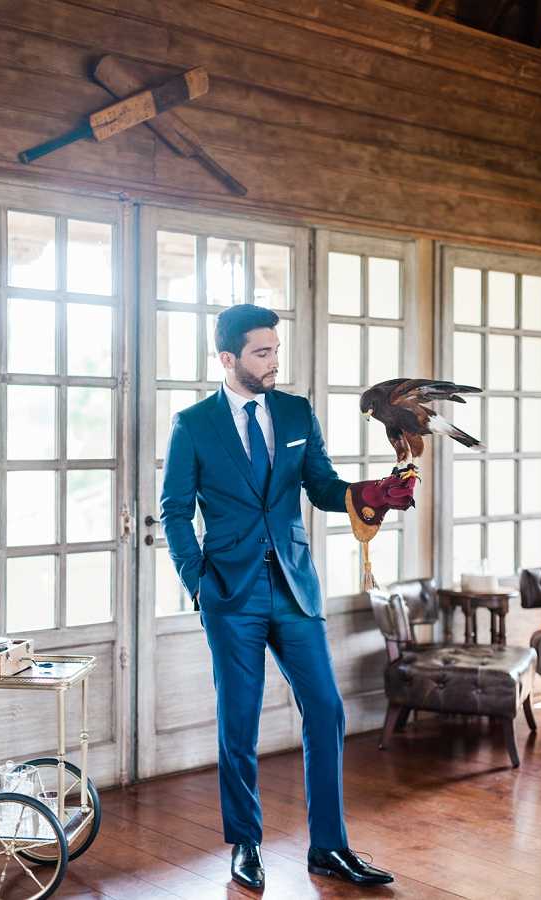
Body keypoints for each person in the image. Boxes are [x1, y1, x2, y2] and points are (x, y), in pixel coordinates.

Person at [160, 304, 393, 889]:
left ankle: (329, 848)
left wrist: (372, 493)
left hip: (293, 586)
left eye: (275, 350)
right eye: (262, 353)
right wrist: (199, 582)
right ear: (228, 359)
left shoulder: (294, 411)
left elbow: (321, 487)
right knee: (239, 721)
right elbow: (175, 512)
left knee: (326, 710)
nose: (273, 362)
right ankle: (245, 844)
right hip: (230, 594)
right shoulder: (193, 424)